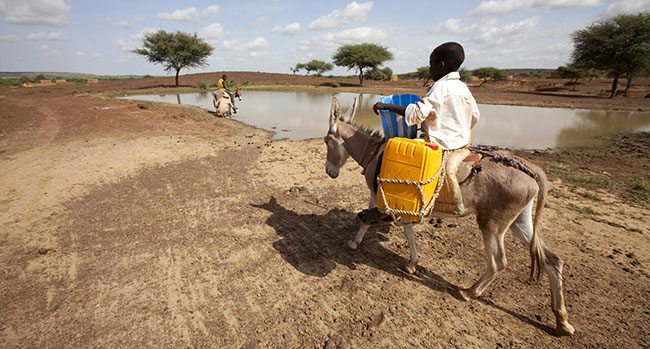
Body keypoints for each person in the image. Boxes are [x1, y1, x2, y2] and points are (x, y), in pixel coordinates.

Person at [373, 42, 480, 215]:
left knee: (389, 151)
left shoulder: (440, 87)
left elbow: (416, 114)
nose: (430, 70)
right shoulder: (463, 87)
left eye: (431, 65)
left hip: (438, 145)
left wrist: (389, 107)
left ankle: (391, 202)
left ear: (441, 66)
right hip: (460, 145)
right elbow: (474, 117)